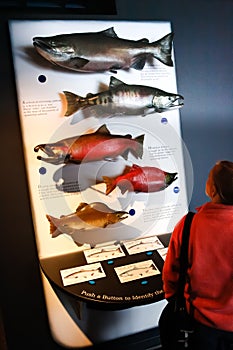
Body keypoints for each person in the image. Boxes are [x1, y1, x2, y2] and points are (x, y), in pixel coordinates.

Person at [162, 160, 233, 350]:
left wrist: (172, 297)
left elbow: (171, 272)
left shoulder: (189, 224)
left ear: (213, 190)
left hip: (199, 322)